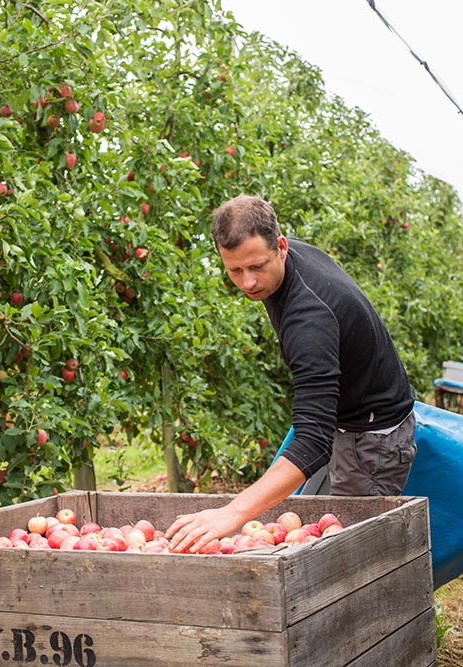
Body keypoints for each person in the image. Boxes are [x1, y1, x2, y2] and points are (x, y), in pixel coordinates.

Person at [167, 194, 417, 554]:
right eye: (235, 270)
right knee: (306, 529)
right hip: (344, 420)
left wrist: (233, 512)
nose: (248, 283)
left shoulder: (310, 321)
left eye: (256, 267)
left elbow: (313, 443)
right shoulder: (284, 260)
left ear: (281, 246)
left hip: (370, 440)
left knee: (347, 558)